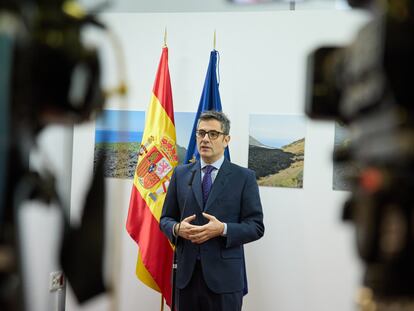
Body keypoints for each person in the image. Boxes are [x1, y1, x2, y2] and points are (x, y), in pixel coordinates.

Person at [160, 111, 265, 311]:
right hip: (186, 278)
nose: (205, 139)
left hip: (224, 281)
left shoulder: (244, 177)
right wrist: (176, 229)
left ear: (226, 140)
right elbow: (165, 218)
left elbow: (256, 227)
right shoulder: (181, 174)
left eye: (213, 134)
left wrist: (222, 229)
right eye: (201, 133)